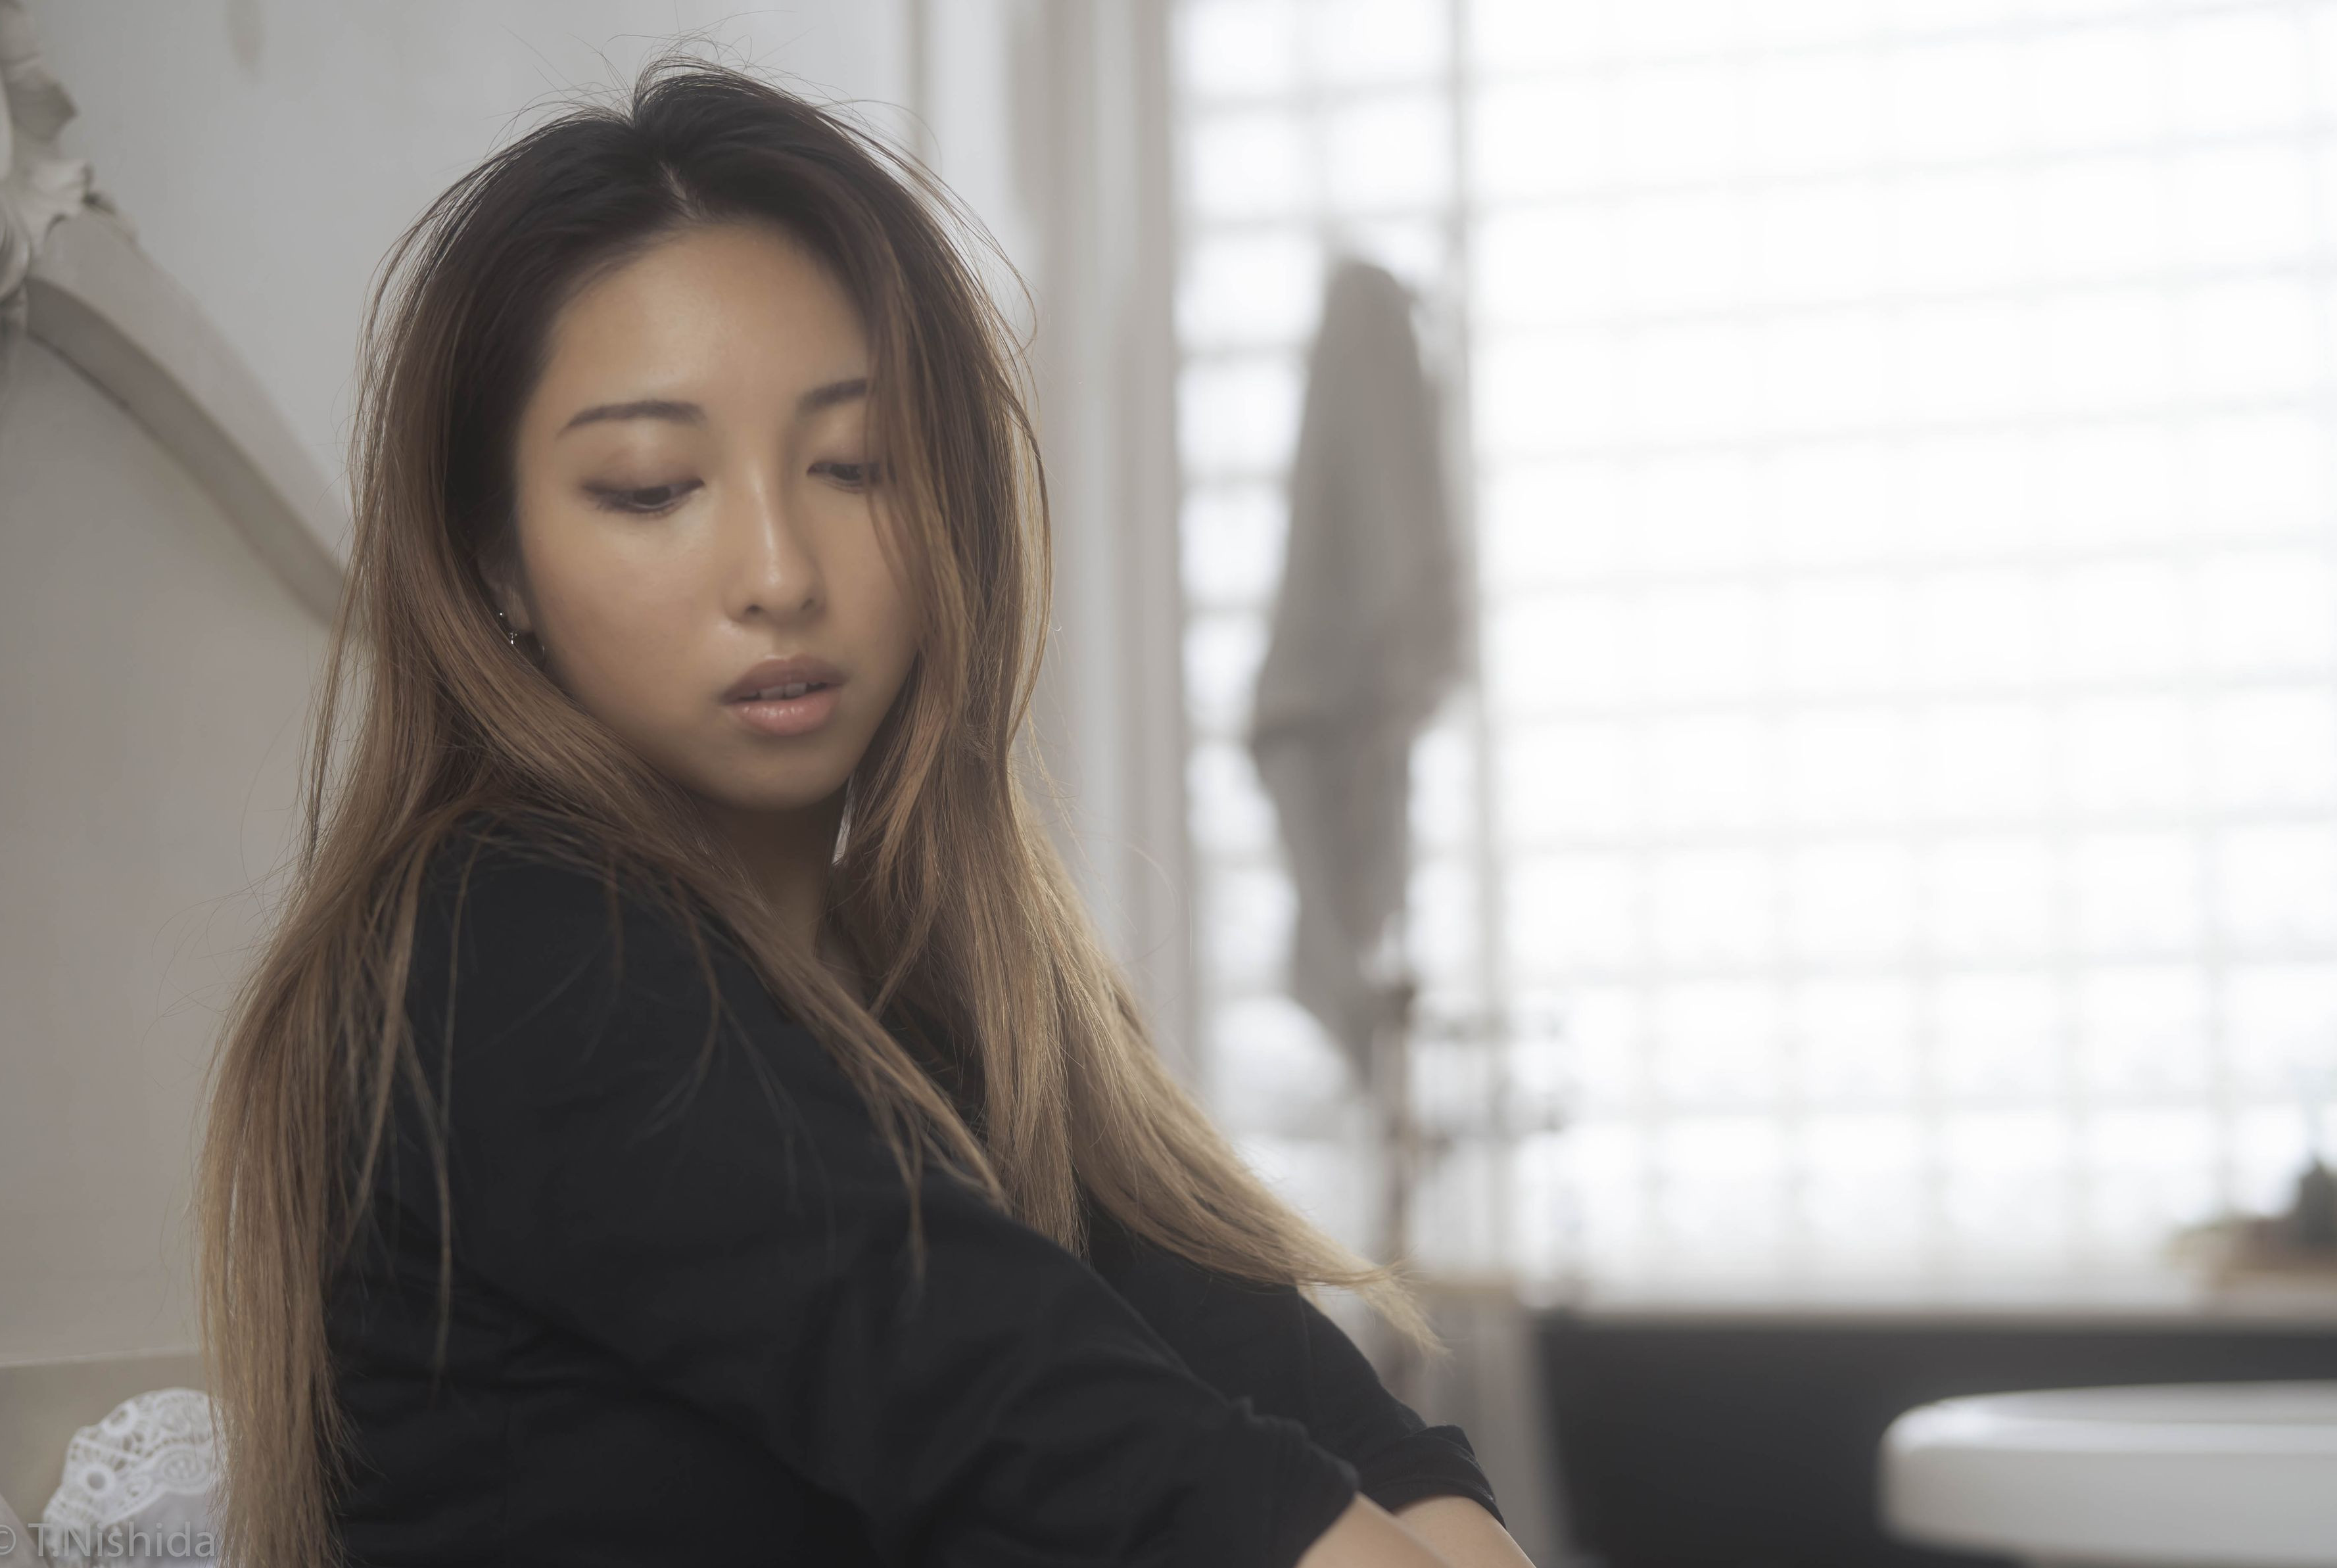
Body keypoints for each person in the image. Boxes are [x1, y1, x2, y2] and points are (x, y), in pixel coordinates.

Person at [193, 54, 1529, 1568]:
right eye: (651, 486)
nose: (779, 572)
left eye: (855, 464)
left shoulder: (949, 1002)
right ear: (492, 554)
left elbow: (1352, 1446)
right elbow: (1130, 1466)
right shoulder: (499, 952)